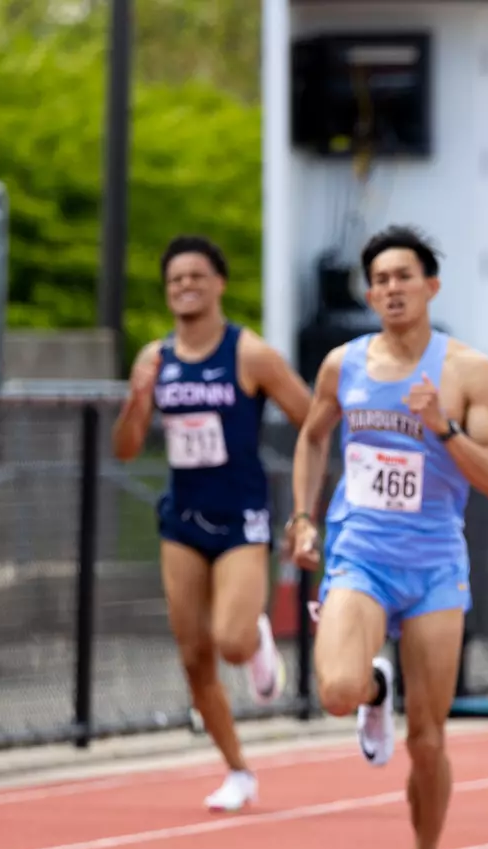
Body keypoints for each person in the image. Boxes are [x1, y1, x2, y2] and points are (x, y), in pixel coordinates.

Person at [286, 226, 488, 849]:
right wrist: (303, 516)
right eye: (379, 278)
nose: (390, 288)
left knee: (428, 737)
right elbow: (312, 435)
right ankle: (374, 686)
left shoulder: (468, 370)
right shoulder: (341, 365)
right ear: (368, 291)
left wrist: (442, 427)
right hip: (361, 556)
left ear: (430, 286)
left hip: (436, 566)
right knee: (335, 691)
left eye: (403, 276)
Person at [112, 235, 312, 813]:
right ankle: (238, 770)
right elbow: (125, 449)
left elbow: (311, 420)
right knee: (194, 653)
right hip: (184, 518)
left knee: (229, 641)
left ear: (218, 283)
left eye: (196, 276)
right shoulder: (154, 358)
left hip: (242, 516)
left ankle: (253, 638)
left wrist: (305, 503)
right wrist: (137, 399)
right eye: (175, 280)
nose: (186, 287)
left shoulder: (248, 353)